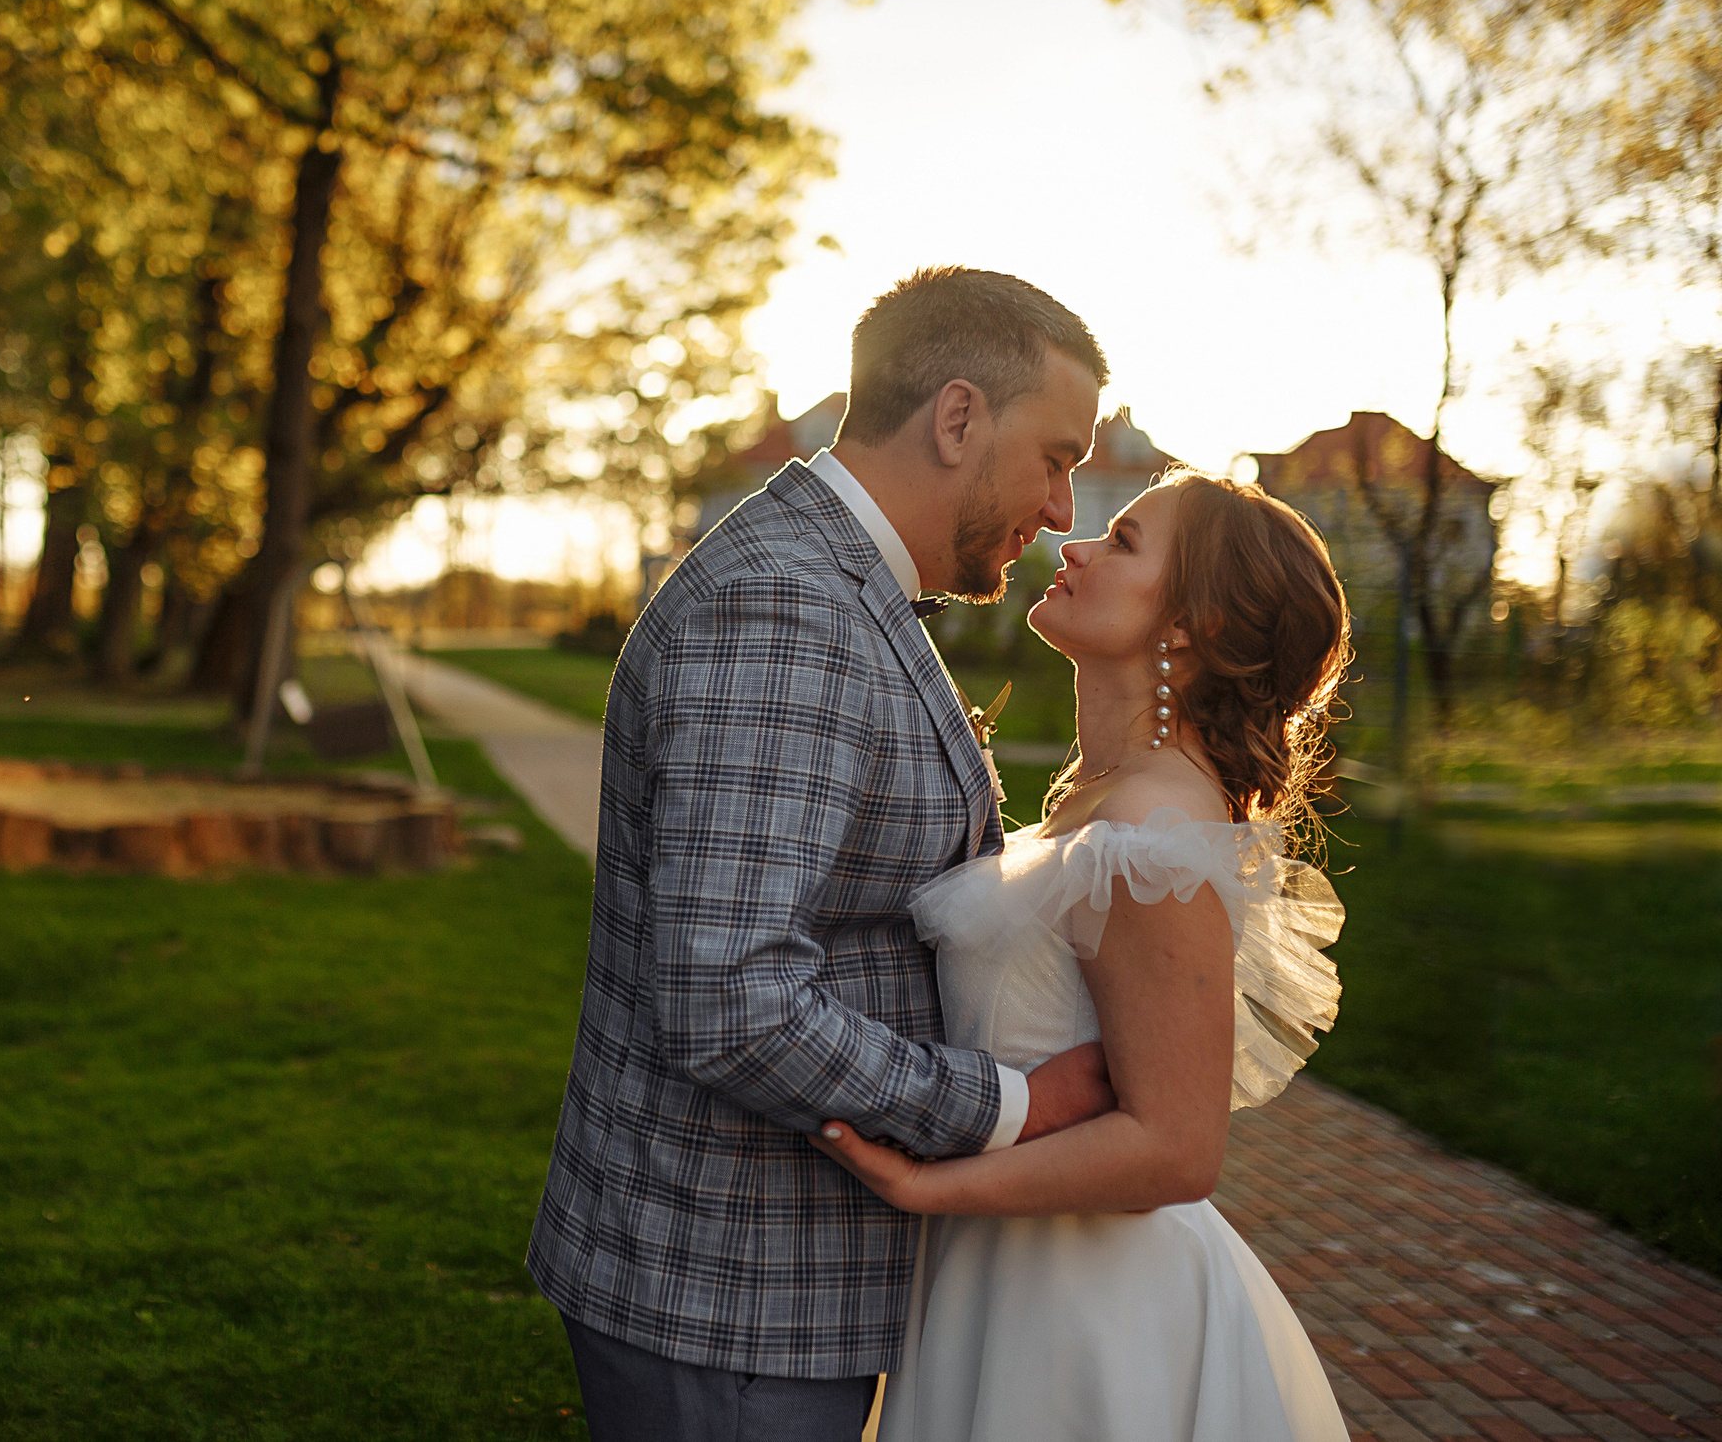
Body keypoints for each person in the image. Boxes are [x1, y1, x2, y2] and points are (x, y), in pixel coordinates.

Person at [527, 266, 1123, 1440]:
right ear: (957, 418)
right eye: (1054, 457)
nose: (1061, 508)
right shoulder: (785, 607)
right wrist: (1004, 1106)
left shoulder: (836, 583)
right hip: (728, 1295)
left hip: (757, 1289)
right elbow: (729, 998)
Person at [812, 468, 1353, 1442]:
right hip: (1006, 1266)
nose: (1075, 544)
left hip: (1086, 1313)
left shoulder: (1154, 832)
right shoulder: (1108, 798)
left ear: (1191, 625)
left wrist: (926, 1187)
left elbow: (1177, 1148)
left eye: (1125, 542)